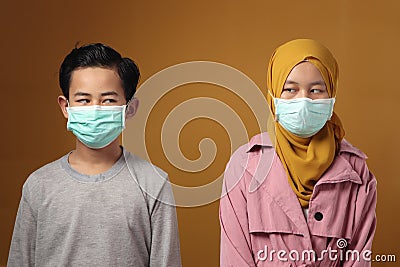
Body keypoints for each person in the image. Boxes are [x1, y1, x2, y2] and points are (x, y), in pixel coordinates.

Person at [7, 43, 182, 267]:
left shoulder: (154, 184)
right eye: (83, 100)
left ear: (130, 108)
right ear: (65, 107)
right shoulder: (39, 185)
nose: (96, 109)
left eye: (108, 100)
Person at [219, 39, 377, 266]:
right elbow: (235, 257)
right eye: (290, 89)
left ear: (332, 94)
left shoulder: (357, 172)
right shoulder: (244, 167)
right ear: (273, 96)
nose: (303, 100)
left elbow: (358, 259)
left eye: (316, 90)